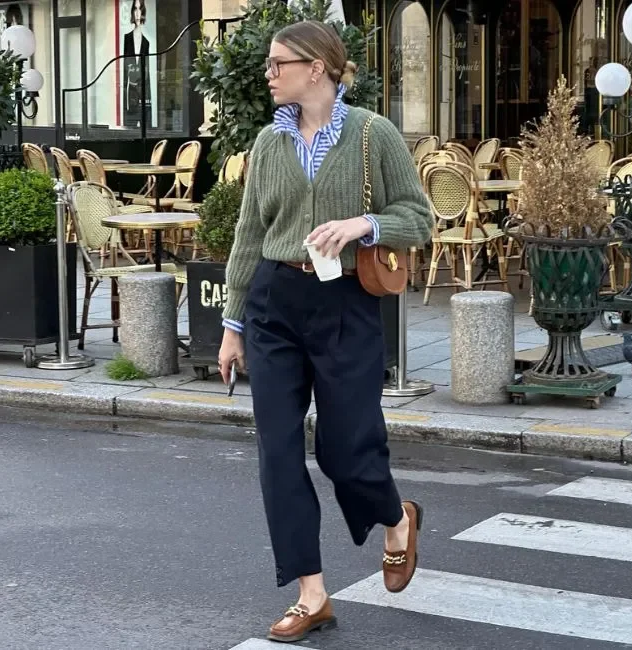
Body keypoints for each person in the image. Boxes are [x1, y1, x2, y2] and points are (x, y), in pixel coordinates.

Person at [217, 20, 433, 644]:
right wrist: (233, 326)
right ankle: (312, 594)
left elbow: (417, 217)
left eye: (277, 63)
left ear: (316, 68)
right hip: (274, 303)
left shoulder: (373, 135)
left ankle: (396, 519)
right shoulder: (267, 143)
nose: (268, 73)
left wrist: (362, 224)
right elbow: (249, 237)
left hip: (344, 305)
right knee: (278, 452)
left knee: (347, 449)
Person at [122, 0, 151, 128]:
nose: (137, 13)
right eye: (135, 9)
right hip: (129, 91)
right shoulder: (127, 39)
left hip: (144, 91)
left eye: (140, 9)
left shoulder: (147, 41)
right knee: (130, 127)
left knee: (146, 124)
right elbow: (124, 65)